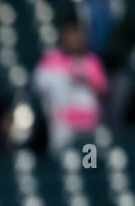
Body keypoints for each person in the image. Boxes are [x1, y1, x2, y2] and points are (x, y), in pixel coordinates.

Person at [33, 17, 108, 153]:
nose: (75, 39)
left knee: (89, 163)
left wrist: (86, 80)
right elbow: (39, 86)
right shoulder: (51, 60)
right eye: (71, 35)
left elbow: (102, 91)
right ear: (63, 37)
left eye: (78, 35)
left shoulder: (92, 62)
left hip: (89, 124)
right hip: (62, 125)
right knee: (64, 162)